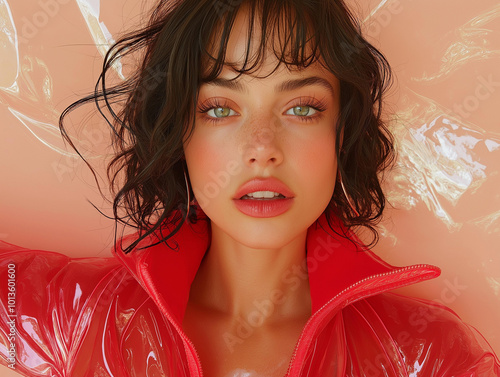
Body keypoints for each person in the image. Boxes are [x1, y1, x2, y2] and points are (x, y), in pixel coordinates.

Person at [1, 0, 499, 376]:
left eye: (303, 108)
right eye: (219, 108)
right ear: (180, 135)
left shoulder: (425, 354)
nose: (262, 148)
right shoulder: (81, 316)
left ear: (339, 134)